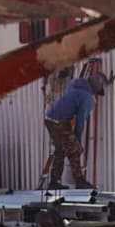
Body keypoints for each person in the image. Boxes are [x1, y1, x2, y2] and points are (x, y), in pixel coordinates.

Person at [41, 52, 111, 188]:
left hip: (50, 118)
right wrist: (78, 138)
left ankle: (54, 182)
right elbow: (80, 122)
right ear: (97, 86)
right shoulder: (88, 98)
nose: (97, 93)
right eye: (99, 90)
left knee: (60, 149)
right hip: (60, 121)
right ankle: (79, 181)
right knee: (75, 149)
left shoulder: (75, 85)